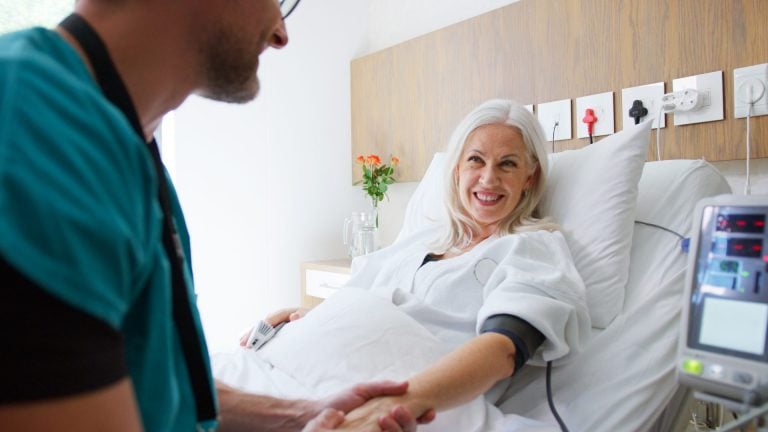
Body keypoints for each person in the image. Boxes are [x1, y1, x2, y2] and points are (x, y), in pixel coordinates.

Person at [0, 0, 431, 431]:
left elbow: (156, 378)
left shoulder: (129, 155)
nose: (281, 34)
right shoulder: (31, 126)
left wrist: (301, 414)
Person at [245, 99, 592, 429]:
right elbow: (365, 302)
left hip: (392, 404)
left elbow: (502, 350)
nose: (488, 178)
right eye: (476, 160)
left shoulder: (532, 248)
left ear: (529, 177)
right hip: (305, 382)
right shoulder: (423, 241)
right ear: (456, 170)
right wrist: (307, 316)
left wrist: (393, 406)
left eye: (507, 163)